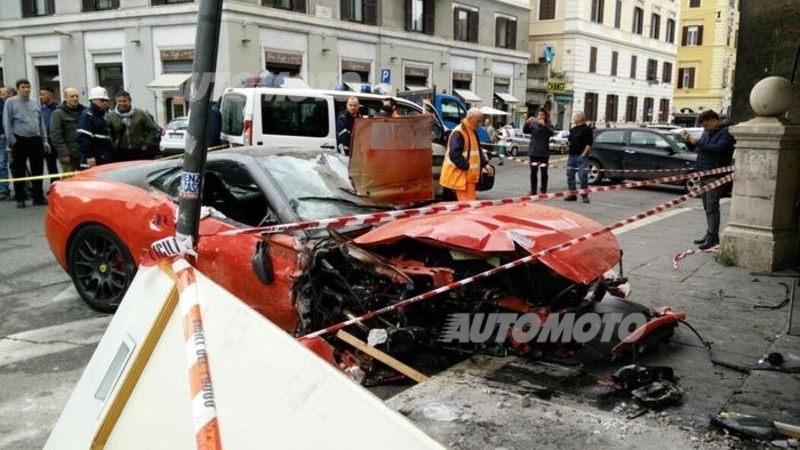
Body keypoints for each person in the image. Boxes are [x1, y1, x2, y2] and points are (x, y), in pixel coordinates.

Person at [683, 109, 735, 250]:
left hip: (715, 175)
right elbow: (701, 150)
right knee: (707, 206)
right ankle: (709, 234)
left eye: (706, 125)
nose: (704, 129)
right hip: (704, 173)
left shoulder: (726, 133)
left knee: (712, 207)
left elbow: (718, 149)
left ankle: (713, 237)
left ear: (714, 120)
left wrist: (698, 141)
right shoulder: (708, 132)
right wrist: (689, 142)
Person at [2, 79, 50, 208]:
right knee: (19, 171)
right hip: (19, 139)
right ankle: (20, 198)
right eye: (23, 87)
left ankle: (38, 197)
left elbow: (41, 123)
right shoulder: (10, 102)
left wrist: (44, 140)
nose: (26, 89)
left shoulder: (35, 103)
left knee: (38, 170)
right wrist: (12, 141)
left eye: (28, 87)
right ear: (18, 89)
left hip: (35, 139)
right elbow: (7, 122)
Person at [439, 107, 494, 201]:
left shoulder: (471, 131)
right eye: (478, 121)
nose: (480, 124)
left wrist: (485, 163)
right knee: (463, 210)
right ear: (470, 119)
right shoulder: (459, 132)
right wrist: (467, 167)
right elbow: (455, 155)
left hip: (465, 180)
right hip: (458, 180)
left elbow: (476, 149)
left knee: (466, 208)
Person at [107, 90, 161, 161]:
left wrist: (146, 143)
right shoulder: (111, 116)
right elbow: (108, 133)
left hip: (139, 150)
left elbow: (153, 129)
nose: (122, 103)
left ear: (129, 101)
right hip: (120, 151)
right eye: (119, 101)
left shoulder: (140, 113)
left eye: (124, 101)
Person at [49, 87, 86, 173]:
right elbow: (56, 136)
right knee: (69, 181)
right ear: (65, 98)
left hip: (83, 154)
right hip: (68, 155)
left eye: (76, 96)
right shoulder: (58, 113)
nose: (75, 98)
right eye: (72, 96)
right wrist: (64, 154)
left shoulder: (84, 112)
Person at [77, 86, 114, 169]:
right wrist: (89, 157)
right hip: (94, 159)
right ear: (93, 100)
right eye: (102, 100)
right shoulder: (87, 115)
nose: (105, 103)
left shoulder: (105, 115)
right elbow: (83, 138)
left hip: (105, 156)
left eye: (106, 100)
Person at [523, 108, 555, 195]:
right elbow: (525, 131)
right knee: (533, 172)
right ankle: (533, 190)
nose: (540, 116)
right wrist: (527, 123)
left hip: (544, 152)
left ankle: (543, 189)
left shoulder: (548, 124)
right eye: (539, 114)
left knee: (544, 172)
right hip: (534, 151)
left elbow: (552, 133)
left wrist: (544, 125)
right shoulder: (534, 124)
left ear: (545, 116)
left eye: (542, 115)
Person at [565, 111, 592, 203]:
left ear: (581, 118)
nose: (574, 117)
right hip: (572, 155)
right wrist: (568, 145)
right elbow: (569, 141)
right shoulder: (572, 130)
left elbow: (589, 144)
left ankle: (584, 195)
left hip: (581, 156)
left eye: (576, 116)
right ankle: (572, 194)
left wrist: (583, 155)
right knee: (570, 175)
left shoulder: (587, 129)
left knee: (582, 176)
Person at [40, 87, 60, 176]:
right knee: (51, 166)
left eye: (43, 94)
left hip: (60, 140)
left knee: (66, 164)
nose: (40, 97)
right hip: (48, 141)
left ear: (50, 95)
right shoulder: (41, 110)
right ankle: (53, 184)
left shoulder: (60, 108)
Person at [0, 86, 10, 201]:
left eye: (3, 93)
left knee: (6, 164)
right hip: (2, 138)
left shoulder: (6, 105)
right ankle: (3, 189)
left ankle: (3, 190)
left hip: (6, 137)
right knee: (2, 164)